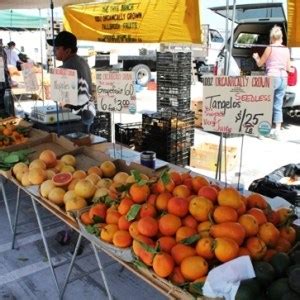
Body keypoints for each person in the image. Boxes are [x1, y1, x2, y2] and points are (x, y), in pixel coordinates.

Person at [47, 30, 96, 131]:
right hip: (87, 113)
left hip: (77, 117)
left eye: (57, 48)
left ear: (68, 51)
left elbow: (63, 101)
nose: (54, 51)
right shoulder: (80, 61)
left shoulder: (69, 66)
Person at [252, 25, 291, 140]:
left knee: (265, 104)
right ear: (281, 38)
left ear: (271, 37)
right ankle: (277, 132)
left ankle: (263, 132)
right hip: (283, 77)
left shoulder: (270, 48)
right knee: (278, 106)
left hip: (272, 77)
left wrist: (256, 57)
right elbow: (288, 67)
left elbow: (260, 63)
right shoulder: (286, 49)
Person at [0, 40, 12, 115]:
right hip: (2, 74)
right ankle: (3, 110)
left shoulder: (2, 51)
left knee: (2, 93)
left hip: (2, 74)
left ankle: (3, 110)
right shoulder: (2, 51)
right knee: (2, 93)